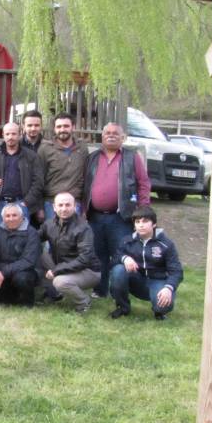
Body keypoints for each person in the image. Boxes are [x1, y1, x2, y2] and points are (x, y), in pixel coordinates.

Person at [84, 122, 151, 297]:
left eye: (115, 133)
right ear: (102, 136)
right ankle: (100, 290)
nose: (111, 135)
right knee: (98, 254)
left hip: (121, 216)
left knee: (121, 254)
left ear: (123, 137)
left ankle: (119, 292)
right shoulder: (93, 158)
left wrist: (143, 210)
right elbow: (85, 185)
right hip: (95, 216)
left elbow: (143, 184)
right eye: (107, 133)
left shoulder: (131, 157)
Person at [109, 206, 183, 320]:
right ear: (134, 225)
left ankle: (159, 312)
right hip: (136, 281)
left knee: (163, 306)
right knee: (118, 270)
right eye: (137, 222)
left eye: (145, 221)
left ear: (154, 224)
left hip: (157, 281)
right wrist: (124, 258)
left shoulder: (166, 244)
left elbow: (177, 271)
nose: (141, 225)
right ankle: (123, 307)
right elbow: (114, 260)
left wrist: (169, 288)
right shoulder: (127, 241)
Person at [38, 192, 101, 314]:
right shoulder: (49, 224)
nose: (64, 209)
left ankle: (84, 302)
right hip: (63, 266)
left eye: (68, 205)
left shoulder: (83, 228)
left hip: (88, 270)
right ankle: (54, 294)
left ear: (74, 206)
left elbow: (84, 259)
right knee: (35, 251)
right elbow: (33, 239)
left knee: (60, 282)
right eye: (60, 205)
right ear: (54, 207)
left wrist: (57, 270)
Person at [0, 122, 44, 222]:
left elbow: (38, 182)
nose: (10, 137)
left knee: (21, 231)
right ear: (3, 135)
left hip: (21, 204)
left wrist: (26, 202)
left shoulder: (31, 156)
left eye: (14, 134)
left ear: (20, 134)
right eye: (7, 134)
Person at [37, 113, 89, 221]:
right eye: (59, 126)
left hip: (75, 202)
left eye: (66, 126)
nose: (62, 129)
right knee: (53, 232)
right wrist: (39, 207)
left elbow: (86, 177)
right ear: (54, 129)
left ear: (73, 127)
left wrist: (84, 208)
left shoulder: (82, 147)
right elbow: (38, 179)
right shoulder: (45, 149)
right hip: (52, 203)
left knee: (74, 232)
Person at [0, 203, 40, 307]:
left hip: (25, 270)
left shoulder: (32, 233)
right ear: (3, 218)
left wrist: (4, 272)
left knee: (21, 279)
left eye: (14, 215)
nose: (11, 219)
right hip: (3, 268)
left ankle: (27, 302)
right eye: (7, 216)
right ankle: (9, 299)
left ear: (22, 216)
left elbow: (28, 261)